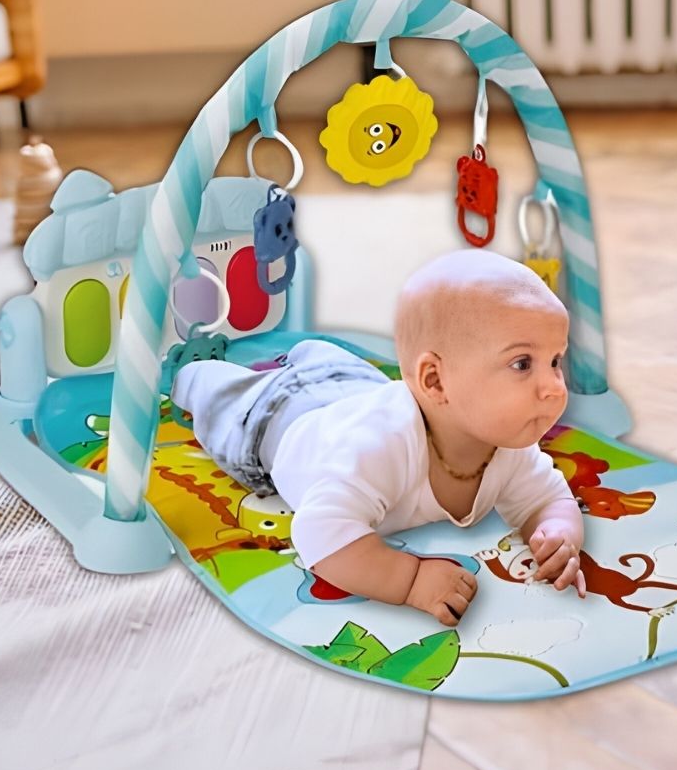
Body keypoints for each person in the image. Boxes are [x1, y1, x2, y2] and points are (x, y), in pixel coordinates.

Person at [171, 250, 586, 627]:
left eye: (555, 361)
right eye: (521, 363)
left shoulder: (510, 446)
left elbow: (549, 500)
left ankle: (310, 351)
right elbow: (317, 532)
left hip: (362, 391)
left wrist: (558, 534)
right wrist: (410, 581)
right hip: (275, 422)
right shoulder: (377, 452)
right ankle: (195, 372)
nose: (553, 386)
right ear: (435, 381)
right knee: (219, 397)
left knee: (330, 361)